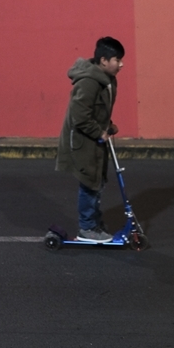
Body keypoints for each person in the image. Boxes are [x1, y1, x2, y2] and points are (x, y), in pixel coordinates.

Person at [55, 37, 124, 242]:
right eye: (117, 60)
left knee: (98, 181)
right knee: (89, 183)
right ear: (103, 60)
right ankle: (87, 228)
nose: (121, 64)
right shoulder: (89, 82)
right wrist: (98, 132)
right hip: (83, 140)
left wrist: (107, 125)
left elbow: (98, 108)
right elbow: (80, 117)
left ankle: (93, 220)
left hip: (93, 139)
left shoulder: (107, 79)